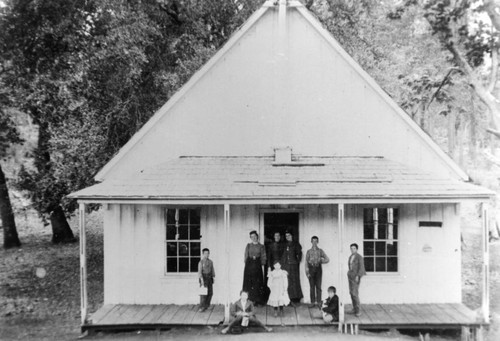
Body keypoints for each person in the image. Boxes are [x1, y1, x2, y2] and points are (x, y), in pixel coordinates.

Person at [243, 230, 267, 305]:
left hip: (257, 265)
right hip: (249, 265)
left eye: (255, 236)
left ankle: (257, 300)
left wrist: (261, 263)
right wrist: (247, 263)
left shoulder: (261, 246)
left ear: (257, 236)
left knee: (257, 283)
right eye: (252, 237)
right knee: (249, 282)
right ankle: (249, 300)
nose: (254, 238)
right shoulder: (248, 245)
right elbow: (246, 256)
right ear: (250, 238)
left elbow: (263, 257)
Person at [305, 236, 329, 308]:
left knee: (318, 286)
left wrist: (321, 261)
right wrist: (307, 272)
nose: (314, 243)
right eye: (313, 241)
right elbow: (306, 262)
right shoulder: (308, 251)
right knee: (312, 287)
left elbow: (327, 259)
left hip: (318, 269)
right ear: (311, 242)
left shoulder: (320, 251)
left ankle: (319, 302)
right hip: (311, 269)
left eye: (316, 241)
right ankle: (312, 302)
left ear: (318, 242)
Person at [281, 231, 303, 304]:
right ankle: (288, 298)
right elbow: (283, 255)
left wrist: (296, 261)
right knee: (287, 281)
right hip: (286, 265)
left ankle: (294, 298)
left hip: (293, 266)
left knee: (294, 281)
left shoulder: (296, 244)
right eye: (286, 236)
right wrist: (283, 264)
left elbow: (299, 254)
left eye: (289, 235)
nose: (288, 237)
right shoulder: (285, 245)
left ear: (292, 236)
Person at [347, 243, 366, 317]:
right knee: (351, 293)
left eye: (354, 248)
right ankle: (354, 308)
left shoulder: (359, 257)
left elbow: (361, 268)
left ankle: (358, 311)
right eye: (351, 248)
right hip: (351, 276)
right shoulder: (351, 256)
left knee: (354, 293)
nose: (352, 250)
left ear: (357, 249)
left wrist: (358, 276)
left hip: (356, 277)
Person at [198, 248, 215, 312]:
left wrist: (213, 277)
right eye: (205, 253)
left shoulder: (210, 262)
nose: (207, 255)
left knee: (210, 293)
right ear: (203, 254)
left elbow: (212, 270)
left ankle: (207, 305)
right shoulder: (201, 262)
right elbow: (200, 272)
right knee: (203, 293)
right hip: (204, 278)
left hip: (209, 278)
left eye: (208, 253)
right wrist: (201, 279)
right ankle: (201, 307)